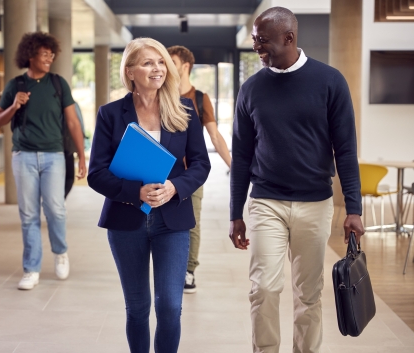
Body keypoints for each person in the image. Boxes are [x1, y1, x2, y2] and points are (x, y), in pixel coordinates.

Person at [229, 7, 364, 353]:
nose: (257, 47)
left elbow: (345, 150)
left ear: (289, 38)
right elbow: (242, 155)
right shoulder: (251, 89)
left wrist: (353, 208)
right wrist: (235, 214)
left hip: (315, 203)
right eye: (255, 41)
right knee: (263, 288)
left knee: (309, 294)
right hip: (266, 202)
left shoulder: (330, 81)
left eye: (263, 41)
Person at [88, 37, 211, 353]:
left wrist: (175, 187)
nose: (157, 69)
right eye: (147, 63)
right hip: (126, 221)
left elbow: (200, 164)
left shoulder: (184, 109)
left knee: (170, 305)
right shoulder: (110, 114)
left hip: (173, 221)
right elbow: (96, 173)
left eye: (160, 62)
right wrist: (135, 191)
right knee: (138, 307)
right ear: (129, 71)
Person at [0, 32, 86, 290]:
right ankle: (31, 269)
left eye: (51, 54)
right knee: (28, 214)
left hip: (54, 156)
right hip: (23, 156)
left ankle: (60, 252)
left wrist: (81, 157)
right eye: (44, 54)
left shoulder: (58, 84)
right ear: (30, 55)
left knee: (56, 209)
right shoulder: (16, 85)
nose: (49, 58)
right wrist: (14, 106)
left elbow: (73, 122)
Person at [167, 45, 232, 294]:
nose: (165, 65)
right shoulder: (161, 93)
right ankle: (167, 267)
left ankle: (188, 270)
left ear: (185, 66)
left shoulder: (201, 99)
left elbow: (215, 136)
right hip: (162, 172)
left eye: (171, 61)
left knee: (191, 223)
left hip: (190, 173)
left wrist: (234, 168)